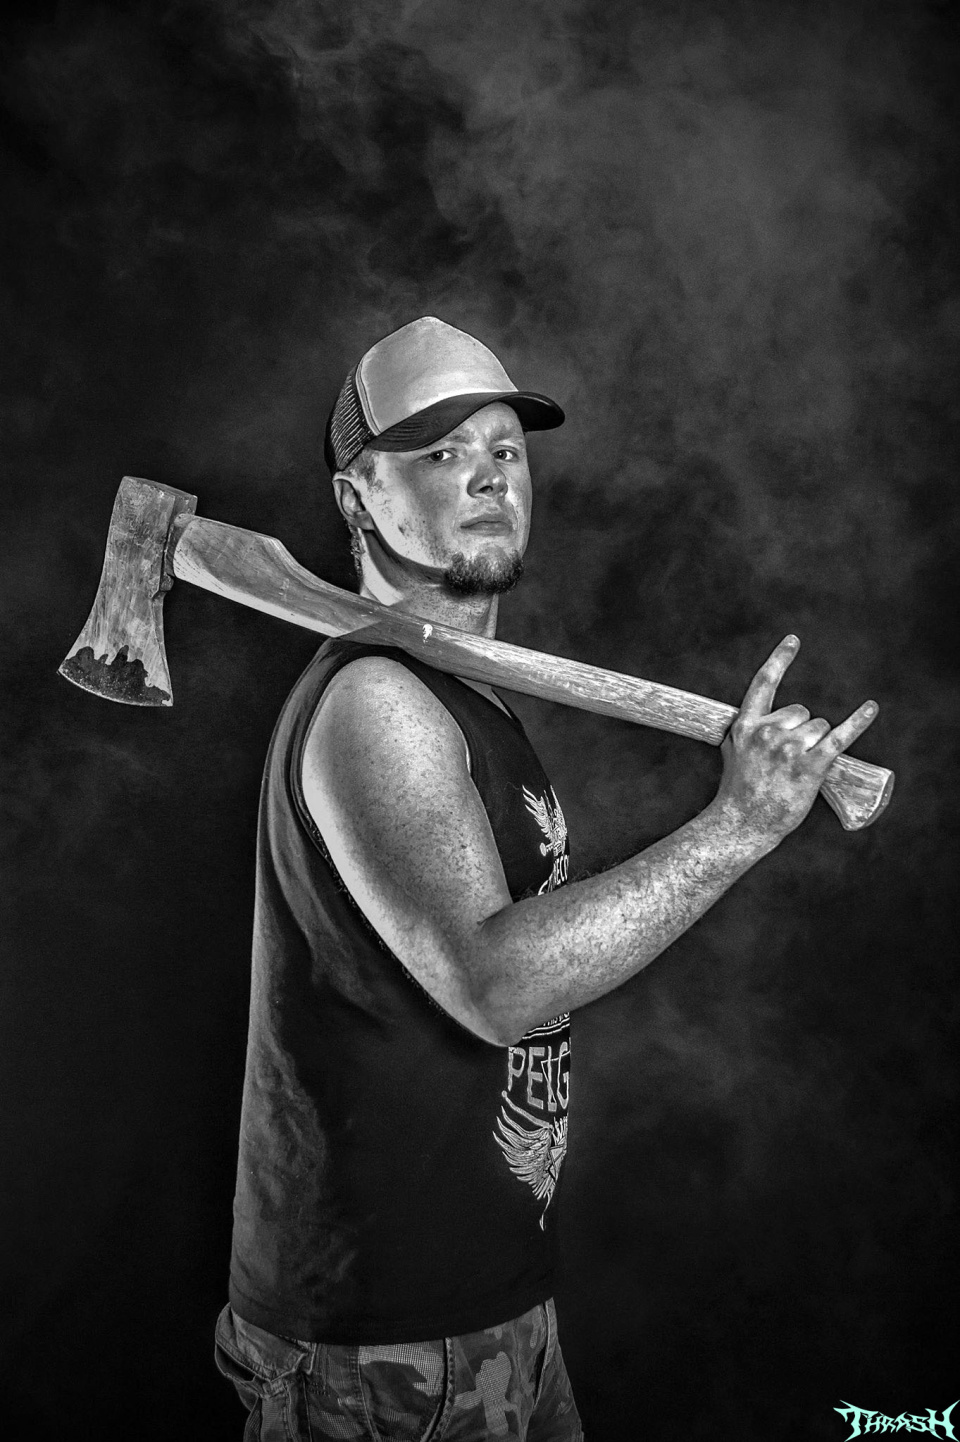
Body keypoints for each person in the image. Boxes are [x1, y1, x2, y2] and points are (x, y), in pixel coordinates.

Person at [214, 316, 877, 1440]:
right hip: (382, 1347)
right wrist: (738, 825)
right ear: (357, 498)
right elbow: (497, 984)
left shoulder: (465, 694)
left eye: (506, 449)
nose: (488, 474)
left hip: (492, 1307)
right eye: (440, 451)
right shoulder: (379, 703)